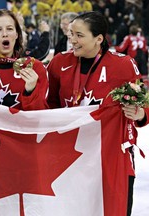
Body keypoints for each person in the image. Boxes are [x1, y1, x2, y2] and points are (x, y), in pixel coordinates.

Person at [46, 11, 147, 216]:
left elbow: (144, 104)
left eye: (79, 35)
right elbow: (49, 107)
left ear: (99, 39)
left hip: (111, 157)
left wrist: (139, 114)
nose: (72, 40)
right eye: (71, 34)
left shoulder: (123, 65)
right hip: (70, 155)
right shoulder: (58, 63)